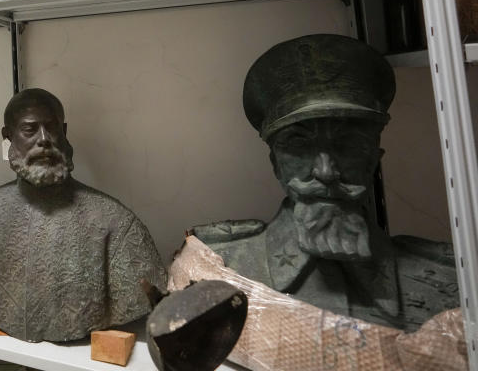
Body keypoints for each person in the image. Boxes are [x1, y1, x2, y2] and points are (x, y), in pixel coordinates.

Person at [194, 34, 459, 331]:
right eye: (299, 145)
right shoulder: (217, 270)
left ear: (373, 159)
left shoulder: (446, 279)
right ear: (276, 164)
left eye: (347, 144)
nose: (326, 171)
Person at [0, 88, 165, 343]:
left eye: (51, 127)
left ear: (64, 132)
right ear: (8, 136)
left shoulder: (117, 223)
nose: (43, 139)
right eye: (30, 130)